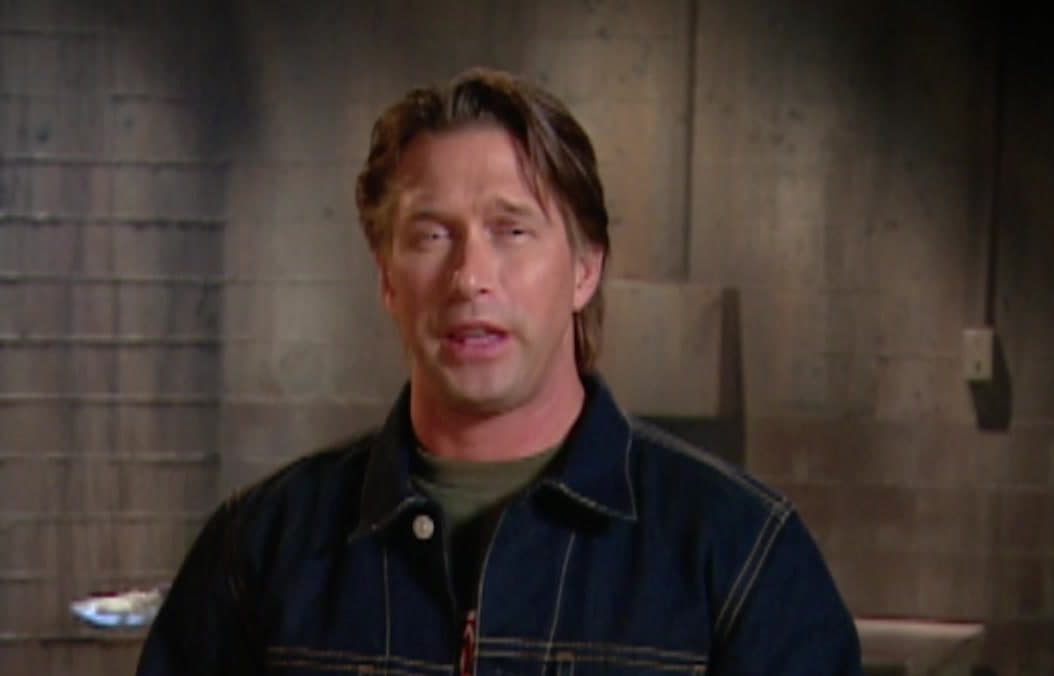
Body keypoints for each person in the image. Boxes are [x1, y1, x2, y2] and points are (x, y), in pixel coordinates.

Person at [136, 67, 863, 675]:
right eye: (431, 235)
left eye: (511, 230)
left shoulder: (738, 554)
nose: (469, 277)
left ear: (584, 269)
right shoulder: (262, 548)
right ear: (387, 276)